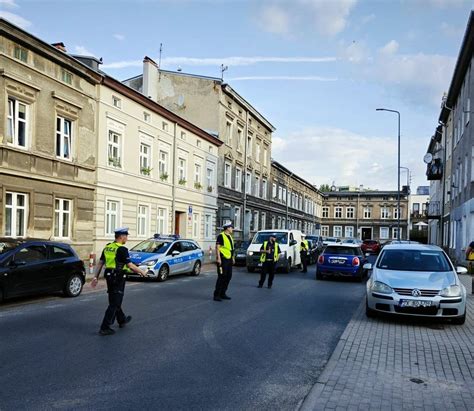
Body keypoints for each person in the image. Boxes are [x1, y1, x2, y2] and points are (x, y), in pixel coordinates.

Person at [92, 227, 147, 336]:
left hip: (109, 276)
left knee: (114, 299)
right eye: (126, 236)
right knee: (115, 302)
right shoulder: (122, 249)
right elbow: (130, 265)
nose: (127, 238)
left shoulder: (108, 247)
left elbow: (100, 263)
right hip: (118, 277)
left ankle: (121, 320)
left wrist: (95, 277)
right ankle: (105, 327)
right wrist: (142, 272)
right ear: (121, 237)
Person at [214, 221, 235, 301]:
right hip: (223, 259)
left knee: (228, 276)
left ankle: (223, 293)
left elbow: (231, 249)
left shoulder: (230, 236)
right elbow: (217, 247)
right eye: (231, 227)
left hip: (229, 259)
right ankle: (217, 295)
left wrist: (232, 258)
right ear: (227, 228)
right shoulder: (221, 236)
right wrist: (218, 258)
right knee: (221, 276)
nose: (232, 228)